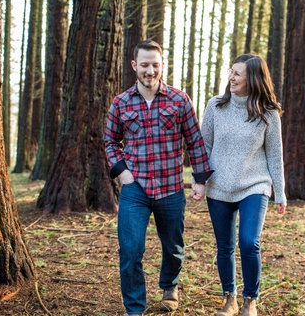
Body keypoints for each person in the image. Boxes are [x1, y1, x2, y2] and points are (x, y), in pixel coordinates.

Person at [104, 40, 212, 316]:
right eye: (144, 65)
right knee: (130, 250)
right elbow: (110, 142)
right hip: (135, 189)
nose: (149, 71)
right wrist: (122, 172)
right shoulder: (121, 102)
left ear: (162, 65)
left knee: (173, 247)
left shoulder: (179, 100)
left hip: (171, 189)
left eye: (155, 65)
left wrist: (199, 179)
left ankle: (169, 287)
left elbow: (195, 141)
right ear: (134, 66)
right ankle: (135, 307)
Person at [194, 54, 286, 316]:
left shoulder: (268, 114)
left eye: (237, 74)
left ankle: (250, 300)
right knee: (225, 246)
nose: (231, 77)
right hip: (219, 186)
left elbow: (274, 155)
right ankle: (230, 298)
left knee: (248, 242)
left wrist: (279, 191)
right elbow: (204, 146)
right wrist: (199, 181)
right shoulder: (216, 106)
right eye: (230, 72)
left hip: (254, 185)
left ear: (253, 79)